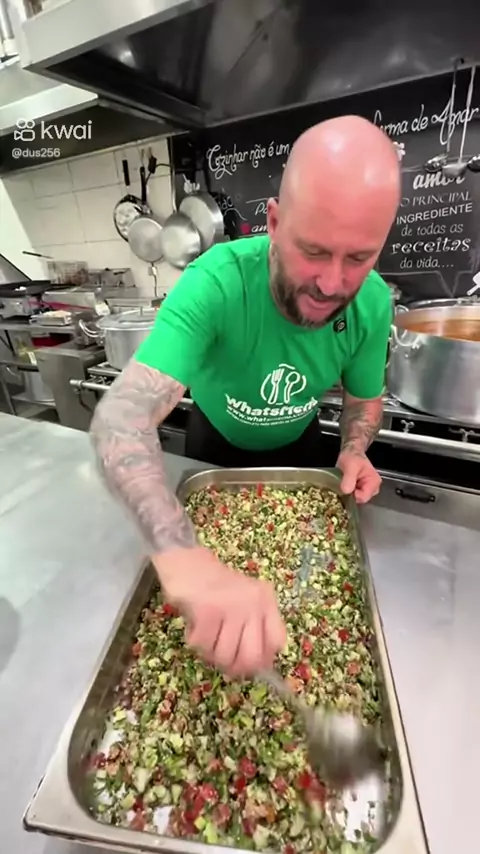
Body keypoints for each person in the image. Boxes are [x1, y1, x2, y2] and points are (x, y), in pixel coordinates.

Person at [90, 115, 400, 677]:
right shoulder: (215, 281)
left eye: (358, 258)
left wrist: (355, 449)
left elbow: (363, 400)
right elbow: (120, 420)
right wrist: (183, 558)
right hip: (212, 449)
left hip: (304, 454)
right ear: (274, 223)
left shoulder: (372, 303)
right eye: (314, 250)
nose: (332, 283)